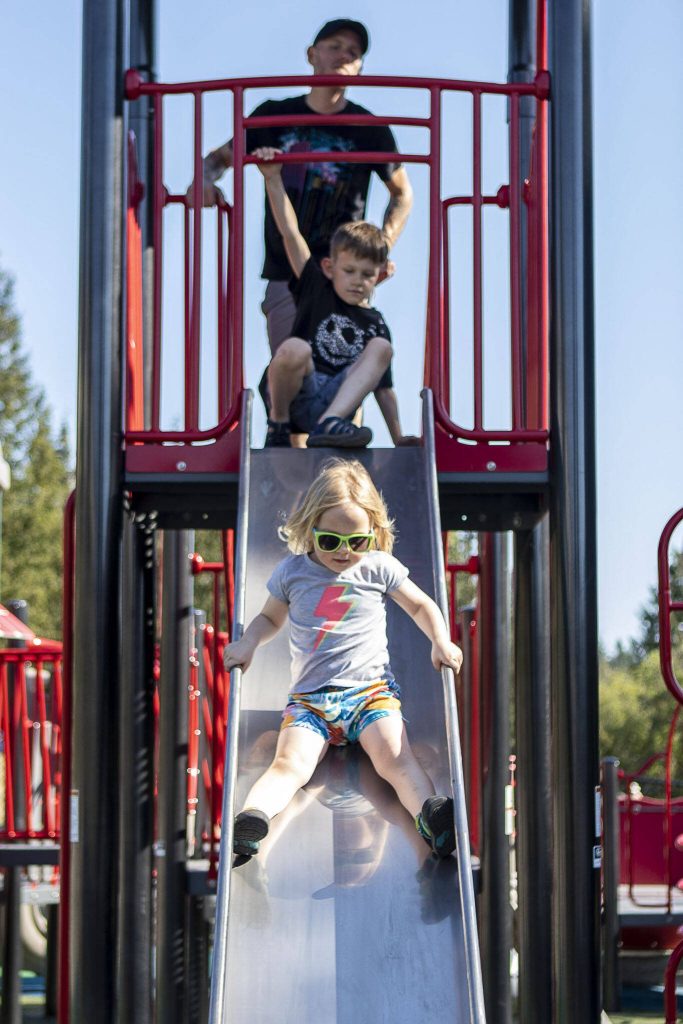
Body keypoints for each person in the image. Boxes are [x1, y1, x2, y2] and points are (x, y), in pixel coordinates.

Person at [223, 458, 463, 859]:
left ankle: (430, 815)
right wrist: (248, 643)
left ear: (373, 534)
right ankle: (253, 818)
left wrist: (440, 640)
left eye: (357, 541)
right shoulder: (292, 573)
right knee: (290, 764)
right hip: (311, 703)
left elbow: (422, 606)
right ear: (310, 529)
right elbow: (269, 618)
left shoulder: (378, 568)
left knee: (396, 758)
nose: (345, 552)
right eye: (330, 541)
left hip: (370, 695)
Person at [196, 18, 413, 355]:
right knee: (292, 363)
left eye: (354, 53)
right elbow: (218, 159)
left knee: (344, 372)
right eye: (335, 47)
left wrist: (380, 247)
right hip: (287, 268)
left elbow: (402, 194)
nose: (344, 56)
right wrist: (204, 180)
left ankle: (344, 411)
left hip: (344, 270)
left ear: (360, 68)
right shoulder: (273, 116)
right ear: (312, 54)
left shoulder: (370, 129)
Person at [254, 146, 415, 449]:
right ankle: (277, 425)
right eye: (350, 271)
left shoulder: (374, 323)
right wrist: (273, 180)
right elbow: (290, 233)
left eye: (366, 274)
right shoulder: (316, 285)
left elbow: (384, 390)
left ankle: (330, 423)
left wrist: (398, 439)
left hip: (336, 402)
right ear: (329, 268)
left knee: (382, 347)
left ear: (379, 275)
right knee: (293, 348)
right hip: (298, 393)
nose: (357, 281)